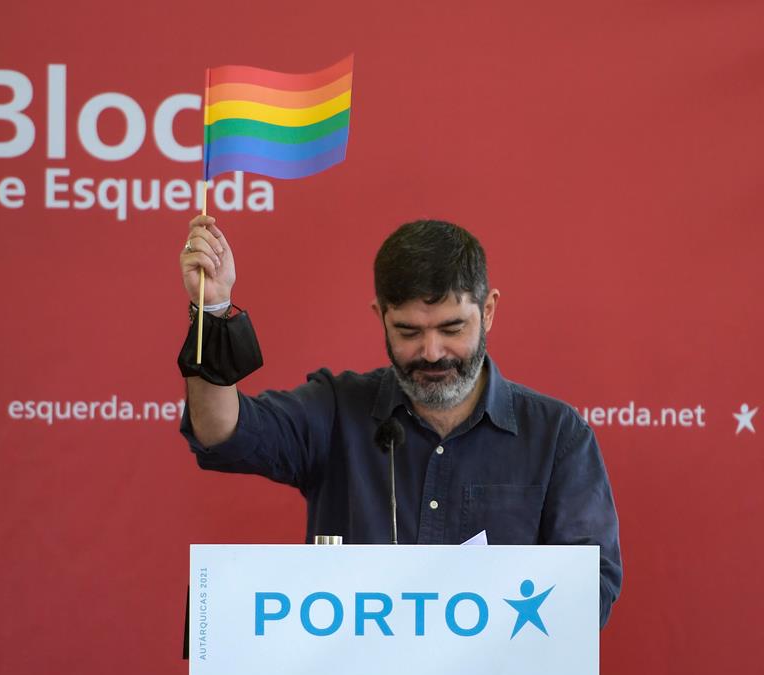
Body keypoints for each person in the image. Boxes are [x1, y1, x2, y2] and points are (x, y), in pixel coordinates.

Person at [177, 214, 622, 628]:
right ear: (381, 317)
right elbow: (223, 431)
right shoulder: (336, 409)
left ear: (488, 311)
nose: (431, 352)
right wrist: (212, 311)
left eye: (452, 329)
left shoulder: (556, 434)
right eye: (409, 332)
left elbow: (590, 588)